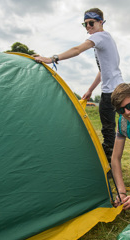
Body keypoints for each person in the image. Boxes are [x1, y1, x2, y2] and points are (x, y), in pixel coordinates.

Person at [35, 8, 124, 164]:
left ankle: (110, 163)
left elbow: (77, 50)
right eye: (85, 24)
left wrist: (52, 58)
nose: (88, 27)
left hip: (110, 92)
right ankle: (114, 159)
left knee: (108, 130)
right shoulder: (105, 39)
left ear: (101, 22)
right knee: (122, 127)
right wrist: (90, 89)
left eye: (91, 23)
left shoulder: (100, 36)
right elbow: (103, 71)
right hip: (119, 88)